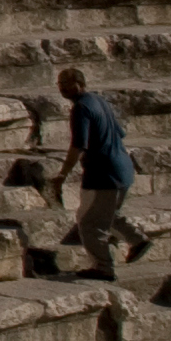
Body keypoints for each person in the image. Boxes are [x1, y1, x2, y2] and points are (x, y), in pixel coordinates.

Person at [56, 66, 152, 279]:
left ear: (80, 84)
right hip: (123, 168)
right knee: (108, 214)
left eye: (66, 83)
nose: (62, 88)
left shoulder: (81, 108)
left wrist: (62, 174)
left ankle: (103, 268)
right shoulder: (99, 101)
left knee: (89, 223)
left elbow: (78, 145)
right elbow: (120, 132)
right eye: (60, 84)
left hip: (104, 174)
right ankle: (137, 239)